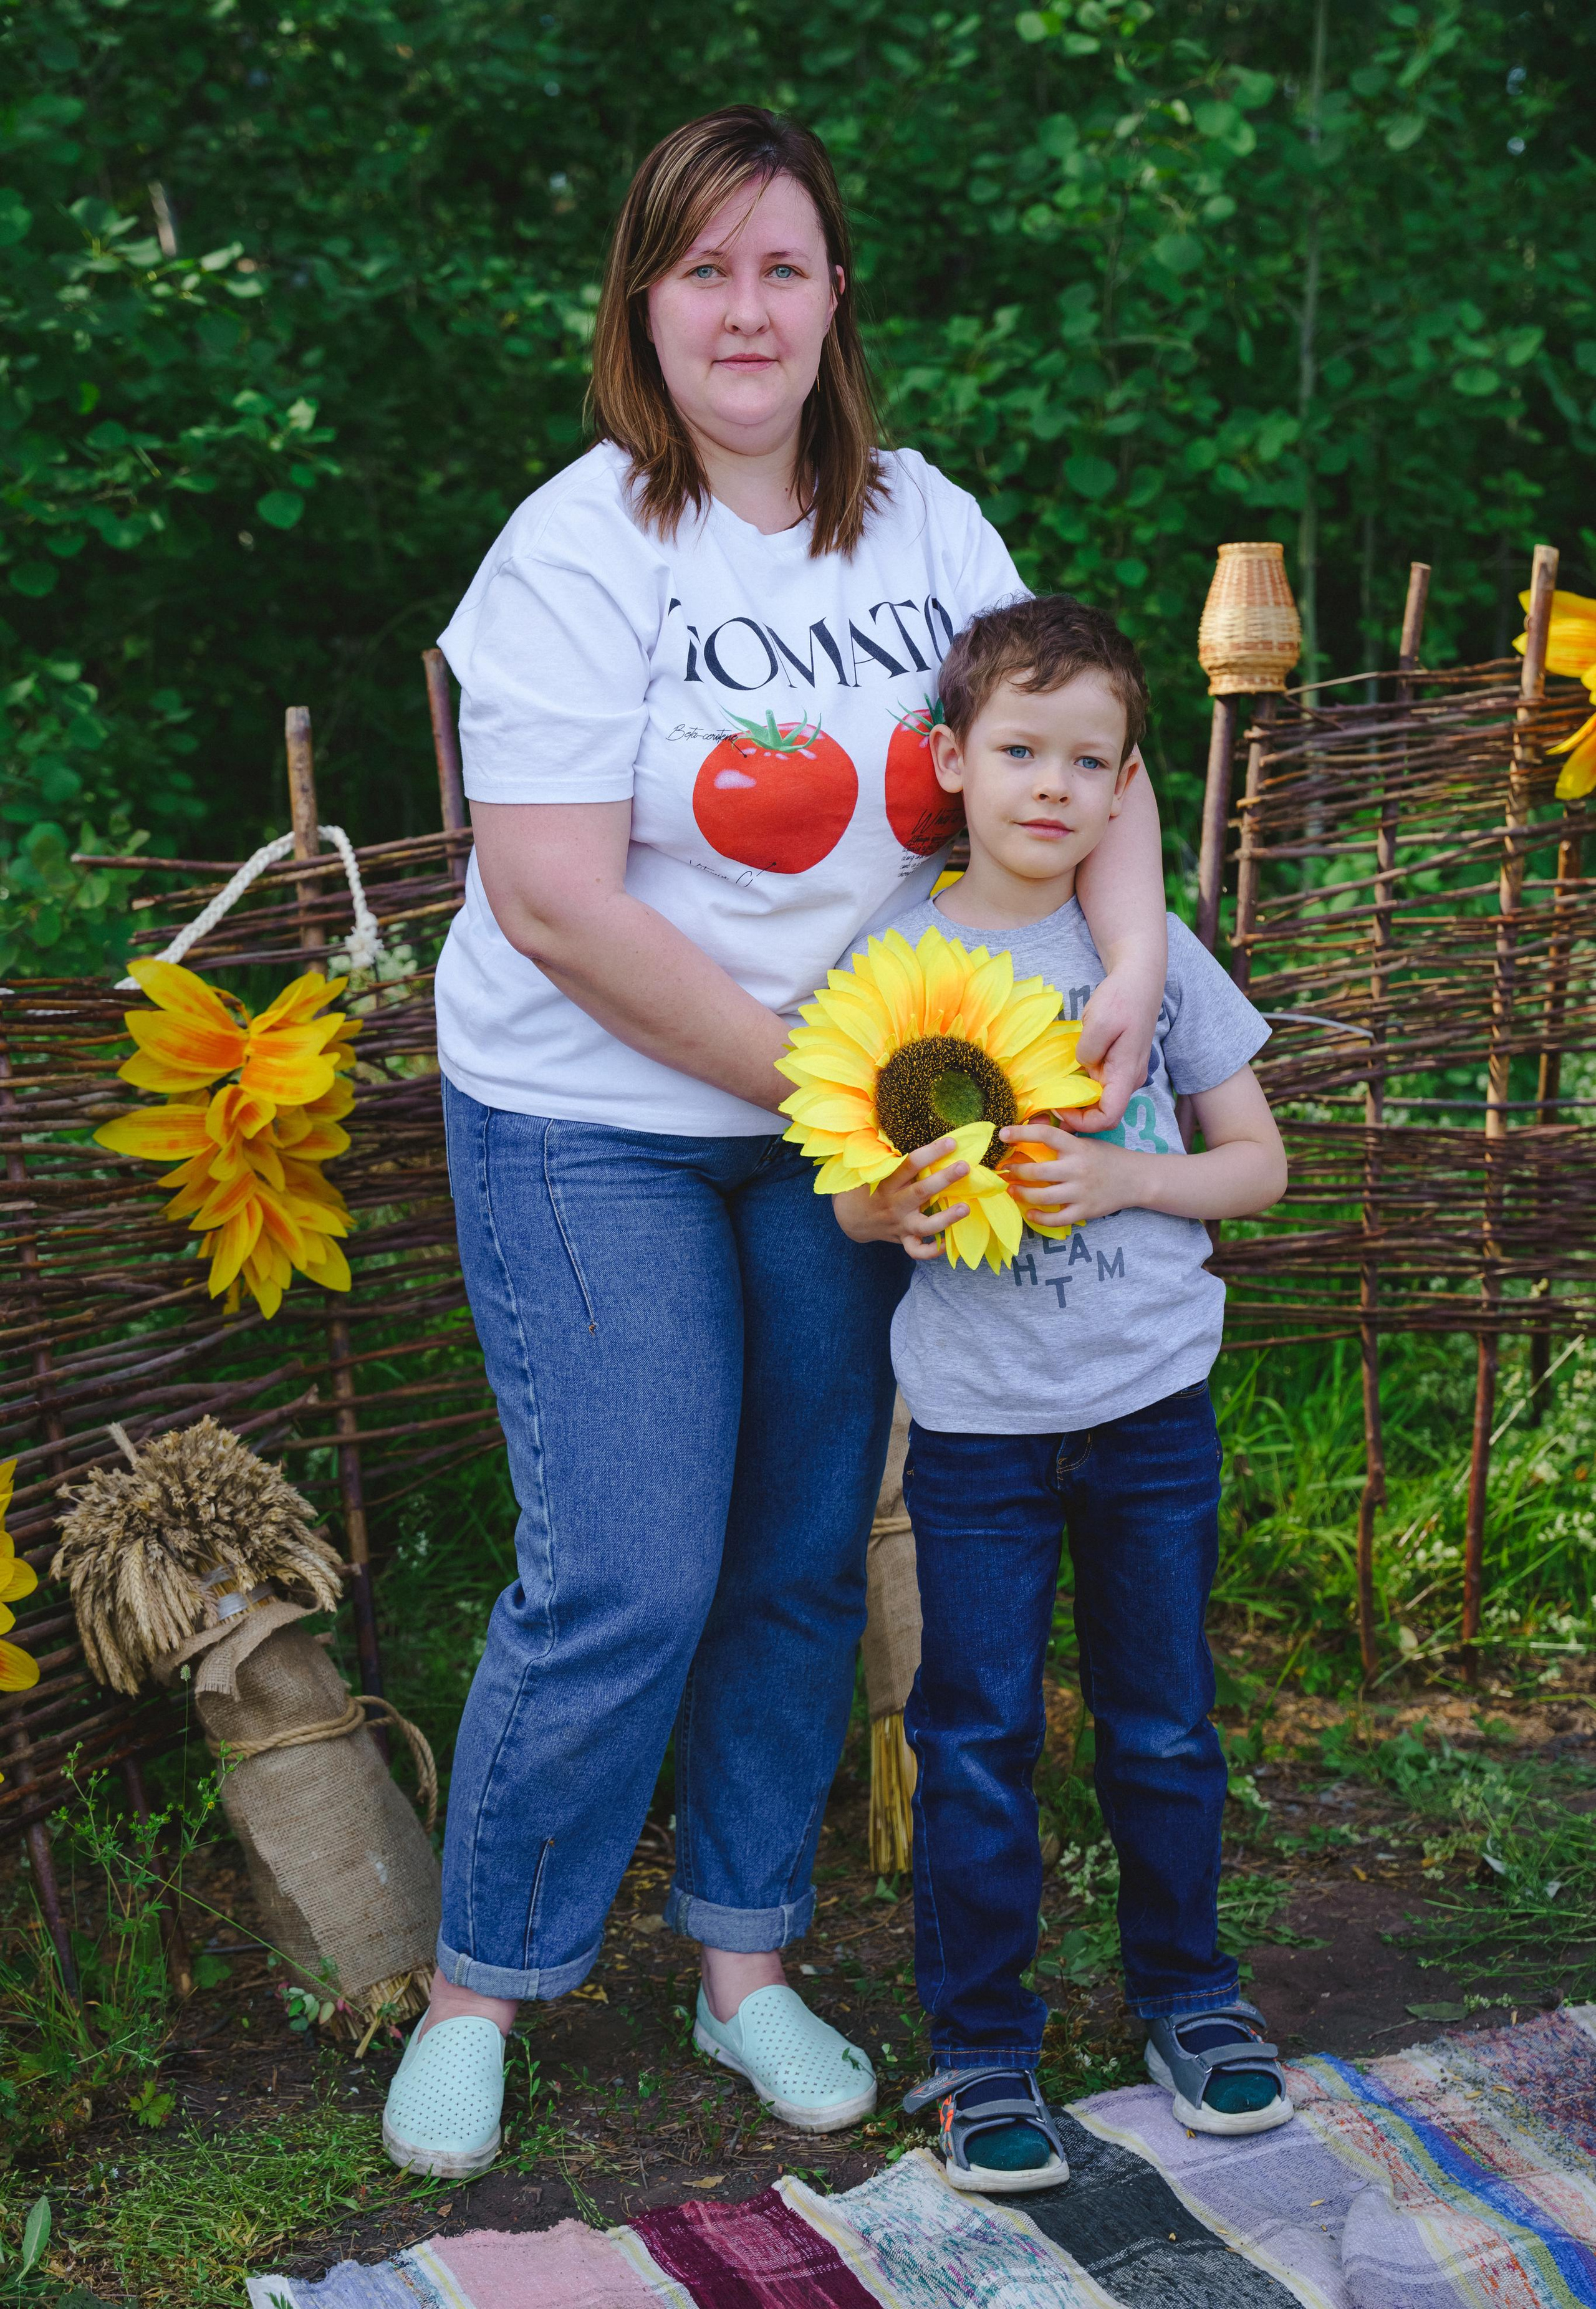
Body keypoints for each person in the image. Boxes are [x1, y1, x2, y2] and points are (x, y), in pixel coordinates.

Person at [380, 107, 1171, 2180]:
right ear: (646, 302)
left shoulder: (923, 526)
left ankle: (744, 1968)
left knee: (806, 1553)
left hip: (854, 1132)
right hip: (599, 1119)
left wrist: (1135, 960)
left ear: (836, 302)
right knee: (628, 1560)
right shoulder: (576, 547)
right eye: (704, 268)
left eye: (784, 267)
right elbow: (553, 895)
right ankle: (488, 1982)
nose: (746, 307)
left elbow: (1094, 736)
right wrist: (843, 1089)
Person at [832, 593, 1291, 2194]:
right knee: (973, 1734)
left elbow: (1257, 1167)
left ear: (1121, 792)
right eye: (1018, 749)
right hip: (974, 1432)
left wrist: (1122, 1178)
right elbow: (843, 1192)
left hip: (1151, 1409)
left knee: (1162, 1724)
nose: (1050, 784)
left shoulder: (1148, 967)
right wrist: (888, 1205)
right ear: (950, 760)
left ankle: (1191, 2000)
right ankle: (977, 2052)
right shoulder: (895, 961)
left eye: (1086, 761)